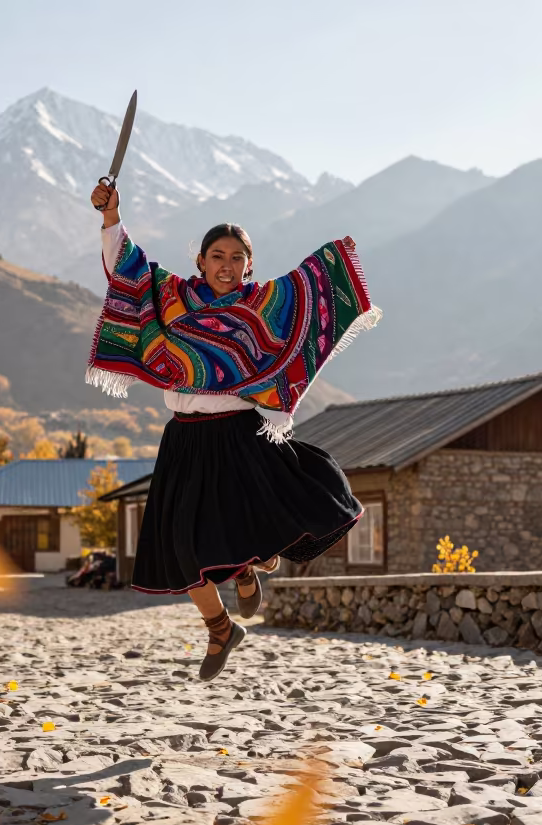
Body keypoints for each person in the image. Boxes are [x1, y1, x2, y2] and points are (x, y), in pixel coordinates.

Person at [87, 181, 381, 681]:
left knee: (250, 521)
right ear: (199, 261)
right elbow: (127, 268)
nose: (226, 264)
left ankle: (247, 565)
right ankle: (221, 628)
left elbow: (310, 295)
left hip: (239, 434)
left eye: (237, 256)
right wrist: (111, 215)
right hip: (183, 437)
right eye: (216, 255)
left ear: (249, 263)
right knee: (181, 547)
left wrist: (334, 264)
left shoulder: (264, 305)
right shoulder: (173, 300)